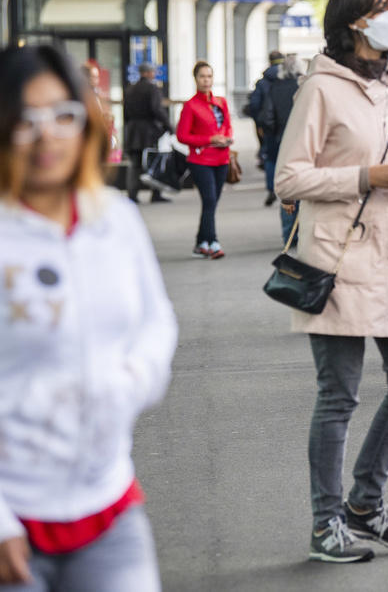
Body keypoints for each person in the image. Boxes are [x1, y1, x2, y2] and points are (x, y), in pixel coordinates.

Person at [274, 0, 388, 565]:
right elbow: (288, 178)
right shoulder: (321, 88)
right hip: (338, 256)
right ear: (353, 24)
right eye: (382, 9)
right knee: (338, 395)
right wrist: (365, 177)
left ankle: (365, 503)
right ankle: (325, 524)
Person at [0, 44, 177, 591]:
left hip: (108, 503)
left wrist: (130, 384)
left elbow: (156, 321)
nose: (48, 135)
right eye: (26, 121)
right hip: (13, 516)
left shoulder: (115, 220)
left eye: (63, 115)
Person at [175, 61, 232, 260]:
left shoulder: (221, 102)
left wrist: (225, 138)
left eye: (209, 76)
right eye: (202, 77)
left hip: (222, 158)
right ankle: (213, 242)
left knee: (212, 203)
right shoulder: (191, 106)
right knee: (209, 200)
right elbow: (182, 136)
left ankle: (201, 243)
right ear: (195, 79)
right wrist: (209, 139)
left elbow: (227, 126)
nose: (206, 80)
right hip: (201, 160)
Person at [257, 54, 307, 245]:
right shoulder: (303, 88)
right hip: (302, 142)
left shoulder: (274, 88)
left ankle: (289, 235)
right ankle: (301, 231)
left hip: (281, 142)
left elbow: (267, 117)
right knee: (302, 185)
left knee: (286, 187)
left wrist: (274, 132)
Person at [122, 61, 172, 204]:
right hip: (149, 132)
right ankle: (156, 194)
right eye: (152, 71)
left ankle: (132, 195)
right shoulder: (152, 89)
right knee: (154, 162)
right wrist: (168, 126)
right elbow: (157, 110)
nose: (154, 74)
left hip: (133, 131)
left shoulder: (130, 89)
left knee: (135, 165)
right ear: (147, 73)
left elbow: (125, 113)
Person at [247, 50, 284, 193]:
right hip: (285, 124)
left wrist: (259, 123)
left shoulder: (262, 82)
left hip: (267, 124)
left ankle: (271, 188)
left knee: (270, 156)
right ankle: (284, 184)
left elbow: (255, 104)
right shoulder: (288, 80)